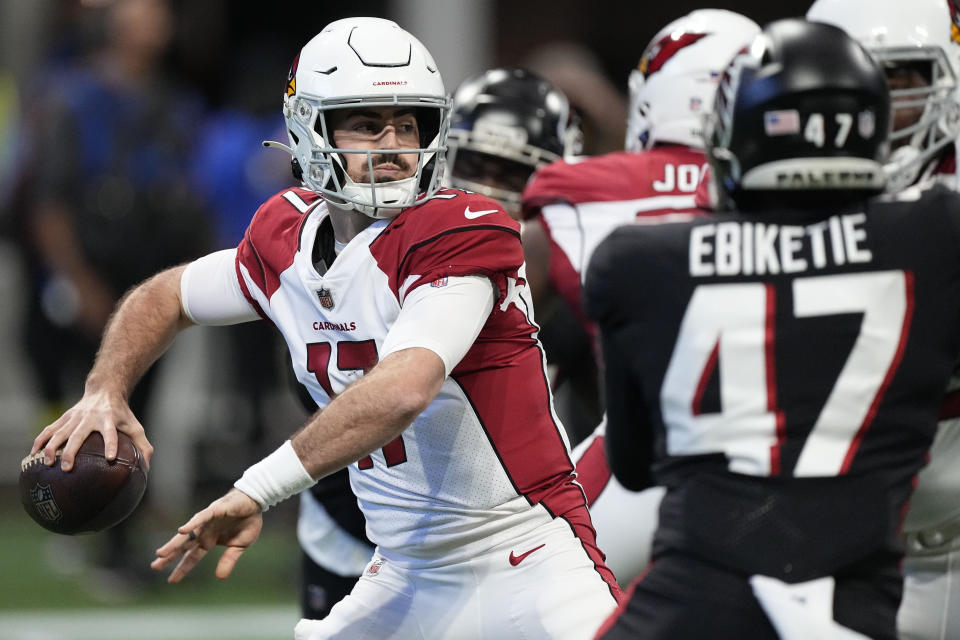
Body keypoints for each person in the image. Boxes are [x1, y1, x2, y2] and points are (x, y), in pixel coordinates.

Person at [31, 17, 621, 640]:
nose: (394, 144)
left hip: (527, 561)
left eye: (408, 123)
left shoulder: (462, 225)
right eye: (367, 123)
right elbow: (168, 295)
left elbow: (402, 389)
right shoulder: (285, 234)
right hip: (405, 573)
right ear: (309, 129)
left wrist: (257, 489)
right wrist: (106, 388)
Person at [587, 17, 960, 640]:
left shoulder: (636, 259)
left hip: (698, 595)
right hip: (857, 594)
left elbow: (635, 463)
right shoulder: (939, 236)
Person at [520, 9, 760, 584]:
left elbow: (484, 326)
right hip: (796, 458)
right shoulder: (830, 199)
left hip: (646, 457)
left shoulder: (581, 193)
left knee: (524, 589)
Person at [806, 1, 960, 638]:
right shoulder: (755, 208)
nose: (869, 106)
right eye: (853, 81)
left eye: (897, 80)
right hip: (825, 555)